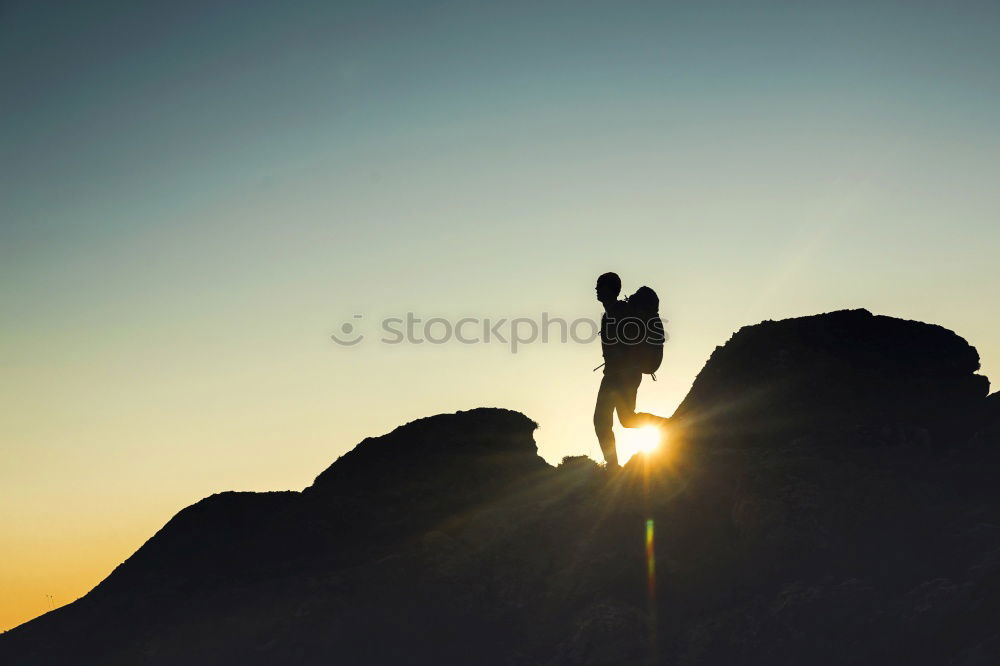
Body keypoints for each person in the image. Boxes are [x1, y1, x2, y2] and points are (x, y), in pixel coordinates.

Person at [593, 272, 668, 469]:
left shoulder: (621, 312)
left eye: (600, 286)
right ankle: (613, 466)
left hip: (623, 375)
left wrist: (624, 362)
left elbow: (631, 342)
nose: (596, 290)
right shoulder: (612, 312)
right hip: (615, 374)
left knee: (608, 421)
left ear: (612, 290)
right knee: (624, 420)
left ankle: (612, 466)